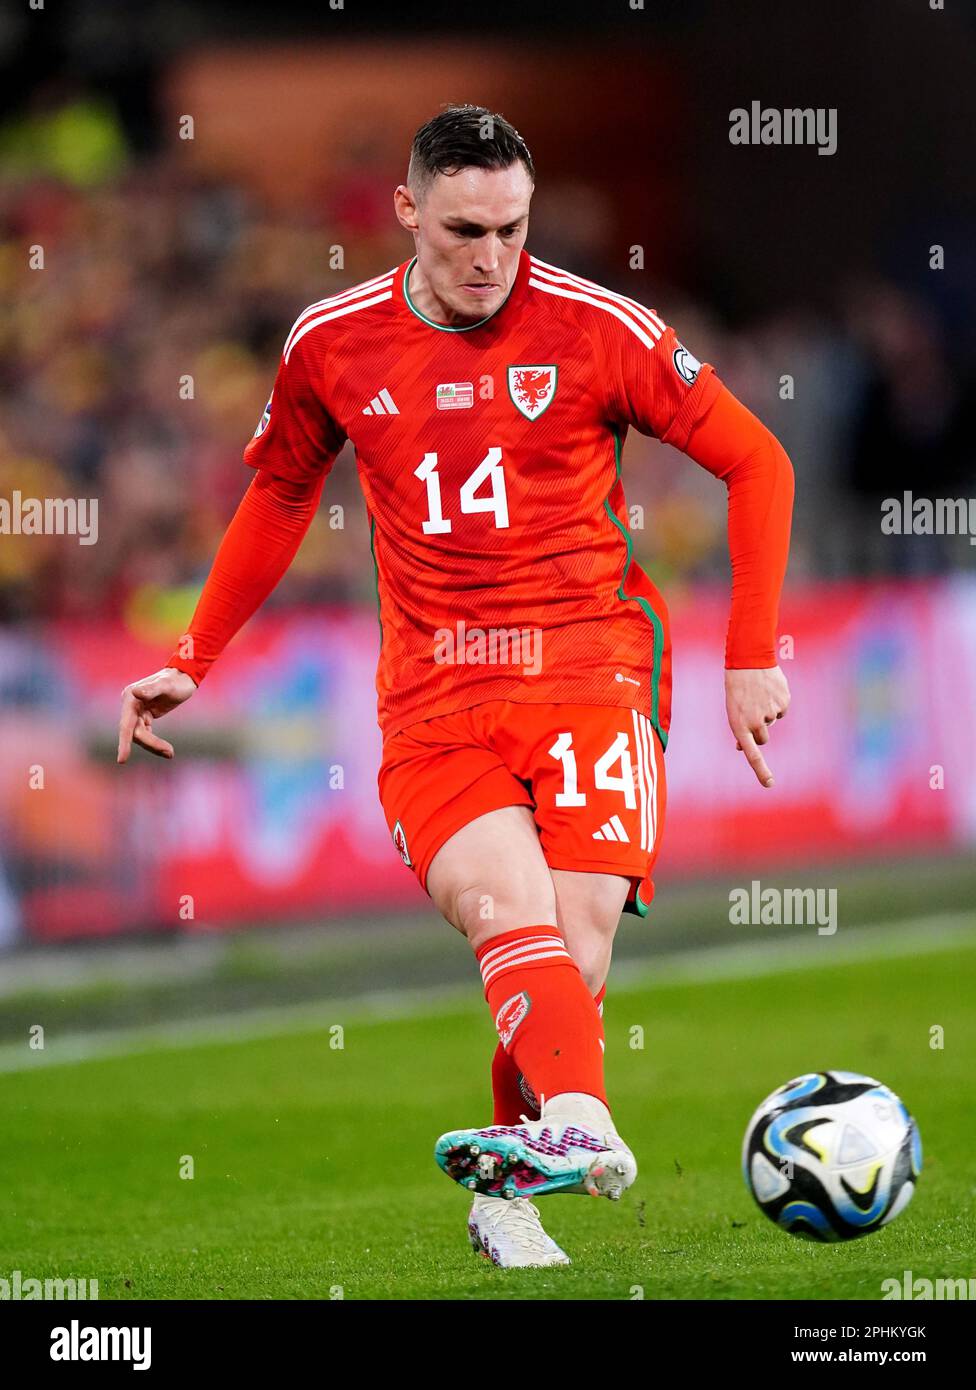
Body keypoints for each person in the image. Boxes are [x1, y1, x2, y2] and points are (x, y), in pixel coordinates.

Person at [117, 103, 793, 1268]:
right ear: (407, 213)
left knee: (571, 953)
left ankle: (507, 1185)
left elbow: (755, 458)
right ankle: (581, 1127)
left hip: (591, 667)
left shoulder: (597, 327)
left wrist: (750, 653)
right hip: (432, 696)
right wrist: (194, 653)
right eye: (464, 229)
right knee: (502, 911)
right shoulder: (330, 342)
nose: (490, 257)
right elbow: (279, 495)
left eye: (511, 228)